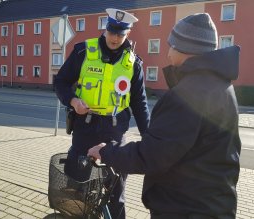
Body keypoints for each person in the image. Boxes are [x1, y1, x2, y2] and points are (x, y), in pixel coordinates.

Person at [88, 13, 241, 219]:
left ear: (186, 49)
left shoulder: (189, 94)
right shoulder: (221, 86)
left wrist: (107, 153)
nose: (168, 53)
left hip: (184, 208)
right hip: (211, 203)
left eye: (172, 46)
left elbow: (152, 155)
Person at [54, 8, 150, 219]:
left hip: (114, 133)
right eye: (111, 31)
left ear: (128, 34)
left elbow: (139, 103)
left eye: (120, 33)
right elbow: (60, 82)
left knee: (116, 193)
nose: (115, 38)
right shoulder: (83, 51)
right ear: (105, 28)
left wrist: (149, 138)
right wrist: (72, 101)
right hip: (85, 128)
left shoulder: (133, 63)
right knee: (77, 188)